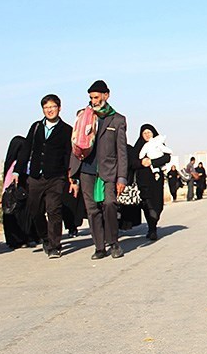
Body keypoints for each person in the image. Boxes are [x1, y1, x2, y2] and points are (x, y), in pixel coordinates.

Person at [68, 80, 128, 260]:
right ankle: (99, 247)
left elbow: (122, 151)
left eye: (96, 97)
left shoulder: (117, 120)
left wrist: (122, 177)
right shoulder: (83, 116)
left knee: (109, 204)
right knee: (92, 209)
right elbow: (75, 144)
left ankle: (114, 242)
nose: (93, 101)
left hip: (108, 171)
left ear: (106, 95)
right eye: (91, 98)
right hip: (86, 170)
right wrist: (72, 174)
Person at [13, 94, 73, 258]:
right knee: (34, 210)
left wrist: (69, 175)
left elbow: (68, 154)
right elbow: (26, 150)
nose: (49, 110)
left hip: (56, 177)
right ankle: (46, 237)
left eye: (52, 107)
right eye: (46, 107)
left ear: (59, 108)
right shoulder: (36, 127)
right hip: (35, 176)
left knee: (54, 210)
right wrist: (17, 171)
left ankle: (55, 246)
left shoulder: (66, 130)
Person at [130, 124, 171, 240]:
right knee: (147, 204)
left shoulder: (158, 144)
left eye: (149, 132)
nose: (147, 135)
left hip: (156, 179)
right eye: (144, 133)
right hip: (142, 180)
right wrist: (142, 162)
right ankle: (152, 229)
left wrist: (152, 162)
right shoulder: (138, 147)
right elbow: (132, 162)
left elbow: (167, 157)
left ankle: (153, 225)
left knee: (157, 204)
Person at [0, 135, 38, 249]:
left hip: (14, 196)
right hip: (19, 195)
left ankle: (17, 240)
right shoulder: (17, 164)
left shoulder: (10, 163)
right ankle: (25, 239)